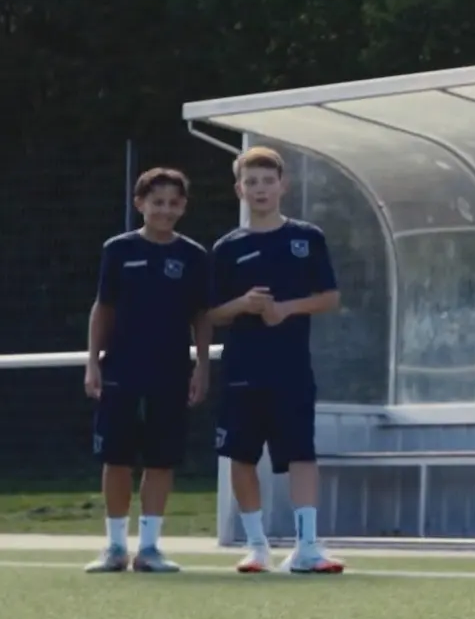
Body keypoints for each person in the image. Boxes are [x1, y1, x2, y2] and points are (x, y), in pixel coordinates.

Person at [208, 146, 344, 574]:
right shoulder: (227, 248)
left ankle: (307, 547)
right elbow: (210, 313)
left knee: (301, 454)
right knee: (241, 456)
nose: (260, 189)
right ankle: (256, 547)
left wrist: (285, 309)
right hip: (242, 370)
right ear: (239, 189)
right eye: (251, 182)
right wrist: (242, 304)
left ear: (283, 185)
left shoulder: (307, 237)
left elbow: (330, 298)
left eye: (268, 181)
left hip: (291, 368)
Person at [82, 168, 213, 573]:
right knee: (116, 457)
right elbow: (104, 307)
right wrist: (93, 361)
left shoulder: (193, 255)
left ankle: (150, 548)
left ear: (184, 207)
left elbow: (201, 315)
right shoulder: (118, 250)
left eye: (174, 203)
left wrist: (201, 365)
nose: (165, 210)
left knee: (161, 460)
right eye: (157, 202)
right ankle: (115, 547)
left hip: (170, 371)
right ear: (140, 203)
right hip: (121, 368)